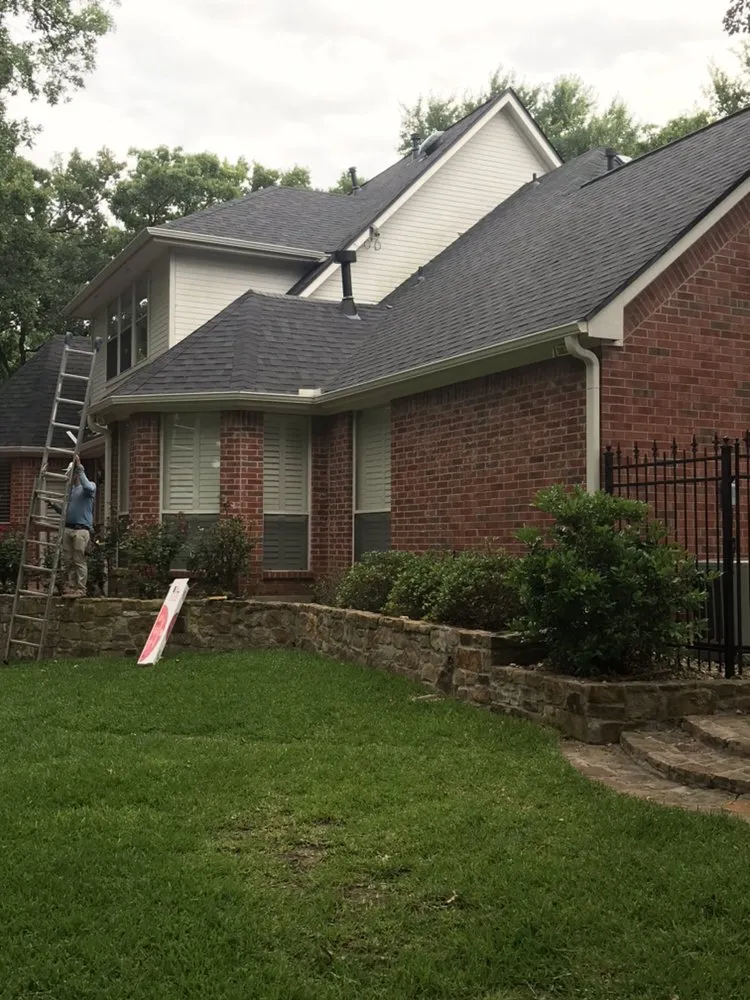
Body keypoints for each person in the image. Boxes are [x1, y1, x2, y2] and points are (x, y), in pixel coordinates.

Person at [50, 455, 97, 597]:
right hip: (68, 528)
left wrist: (80, 467)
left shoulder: (89, 487)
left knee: (79, 560)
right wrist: (54, 505)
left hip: (81, 530)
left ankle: (81, 589)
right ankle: (70, 587)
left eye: (70, 473)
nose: (68, 476)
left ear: (76, 474)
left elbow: (88, 487)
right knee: (67, 561)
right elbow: (66, 512)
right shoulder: (69, 491)